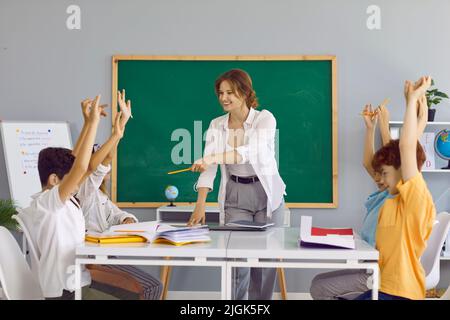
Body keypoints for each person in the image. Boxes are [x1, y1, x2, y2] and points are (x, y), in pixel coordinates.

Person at [310, 97, 429, 300]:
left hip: (385, 277)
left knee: (320, 288)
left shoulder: (404, 194)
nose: (378, 177)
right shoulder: (387, 192)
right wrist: (370, 128)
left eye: (384, 173)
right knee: (318, 285)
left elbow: (404, 151)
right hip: (372, 266)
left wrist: (389, 123)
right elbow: (371, 163)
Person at [187, 69, 286, 300]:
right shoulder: (216, 125)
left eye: (230, 92)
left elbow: (251, 152)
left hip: (267, 195)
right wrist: (200, 204)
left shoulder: (265, 119)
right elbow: (208, 169)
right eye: (220, 93)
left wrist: (212, 157)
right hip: (236, 195)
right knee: (237, 262)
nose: (224, 98)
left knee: (265, 263)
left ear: (245, 92)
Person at [19, 95, 115, 299]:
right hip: (65, 290)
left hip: (76, 281)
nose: (76, 180)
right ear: (54, 180)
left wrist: (89, 123)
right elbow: (81, 167)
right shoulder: (48, 203)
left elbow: (79, 164)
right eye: (70, 178)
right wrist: (96, 122)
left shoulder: (63, 200)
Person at [76, 90, 163, 300]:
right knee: (151, 288)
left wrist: (126, 219)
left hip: (104, 257)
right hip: (91, 262)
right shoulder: (83, 189)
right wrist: (118, 128)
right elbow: (100, 163)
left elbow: (116, 214)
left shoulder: (99, 195)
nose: (106, 166)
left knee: (152, 286)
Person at [355, 76, 436, 300]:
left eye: (385, 174)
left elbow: (407, 145)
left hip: (400, 293)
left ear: (402, 169)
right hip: (382, 286)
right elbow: (378, 161)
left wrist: (412, 101)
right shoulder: (391, 197)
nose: (380, 179)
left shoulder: (415, 197)